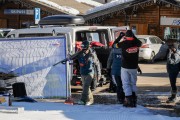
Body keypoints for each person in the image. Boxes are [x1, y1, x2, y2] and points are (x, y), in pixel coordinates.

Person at [61, 40, 101, 105]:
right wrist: (66, 60)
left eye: (84, 48)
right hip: (83, 73)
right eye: (82, 48)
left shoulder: (92, 54)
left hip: (90, 73)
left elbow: (97, 64)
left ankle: (83, 100)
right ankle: (91, 100)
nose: (83, 50)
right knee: (86, 87)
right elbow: (71, 57)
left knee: (86, 86)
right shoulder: (79, 53)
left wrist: (99, 74)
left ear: (88, 47)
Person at [115, 30, 142, 107]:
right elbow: (140, 42)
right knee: (133, 83)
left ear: (126, 36)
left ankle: (128, 101)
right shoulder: (137, 43)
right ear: (133, 36)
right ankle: (134, 99)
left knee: (126, 83)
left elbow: (114, 45)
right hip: (134, 67)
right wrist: (133, 36)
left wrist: (120, 37)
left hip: (125, 67)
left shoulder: (123, 43)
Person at [107, 32, 125, 104]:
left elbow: (109, 60)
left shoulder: (114, 50)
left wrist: (108, 69)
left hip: (115, 71)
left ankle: (120, 99)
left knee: (118, 85)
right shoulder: (126, 50)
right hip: (124, 71)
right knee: (124, 85)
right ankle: (124, 99)